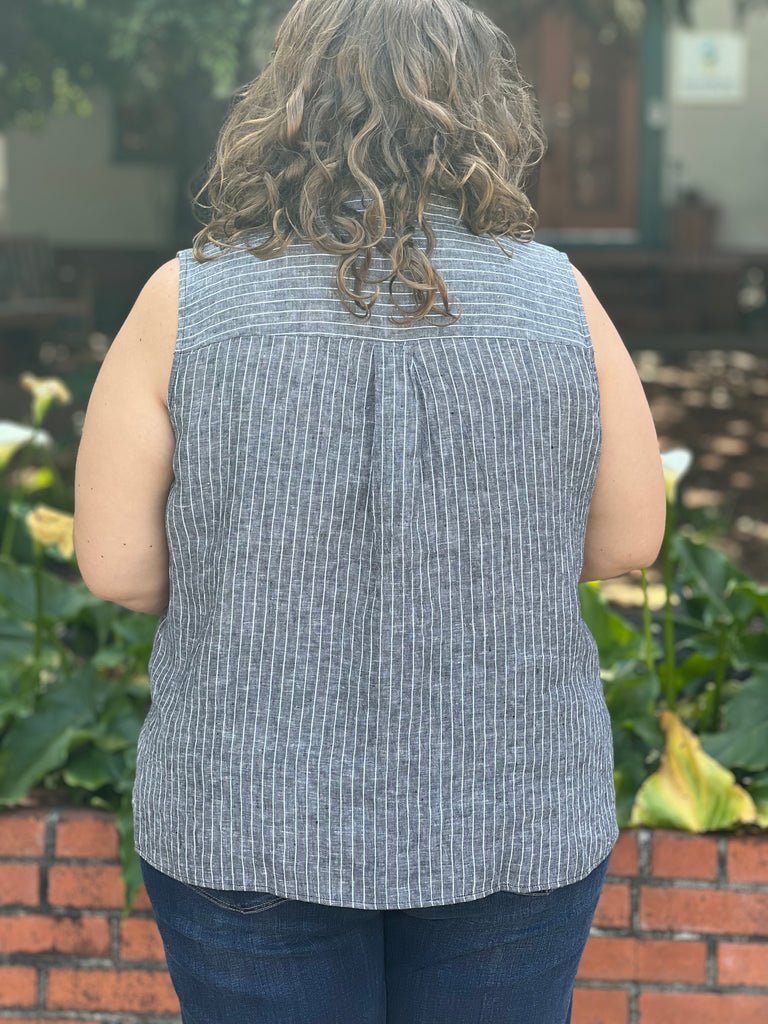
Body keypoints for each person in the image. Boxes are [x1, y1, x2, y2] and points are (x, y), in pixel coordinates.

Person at [72, 1, 666, 1021]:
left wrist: (263, 563)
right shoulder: (563, 300)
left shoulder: (184, 300)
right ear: (483, 111)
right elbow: (629, 539)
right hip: (511, 805)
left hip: (248, 808)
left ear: (289, 102)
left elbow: (118, 565)